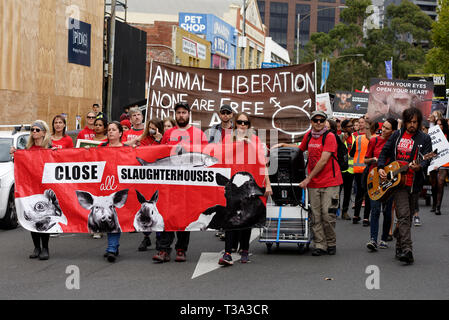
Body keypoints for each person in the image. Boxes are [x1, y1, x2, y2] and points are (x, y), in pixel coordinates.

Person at [152, 102, 208, 263]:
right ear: (175, 115)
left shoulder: (198, 134)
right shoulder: (168, 133)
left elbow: (204, 156)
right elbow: (161, 153)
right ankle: (163, 249)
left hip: (189, 184)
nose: (181, 115)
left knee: (184, 217)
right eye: (178, 113)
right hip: (170, 184)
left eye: (184, 112)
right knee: (167, 216)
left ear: (189, 114)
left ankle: (181, 249)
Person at [378, 107, 432, 264]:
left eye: (415, 122)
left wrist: (420, 166)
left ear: (419, 122)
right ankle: (408, 250)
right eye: (409, 122)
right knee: (403, 215)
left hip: (414, 183)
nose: (412, 125)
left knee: (406, 218)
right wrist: (381, 167)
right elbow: (384, 152)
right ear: (405, 122)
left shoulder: (424, 139)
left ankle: (399, 244)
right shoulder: (397, 135)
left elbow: (427, 159)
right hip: (398, 182)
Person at [218, 112, 272, 265]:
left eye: (245, 123)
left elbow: (263, 164)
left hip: (249, 185)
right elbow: (219, 159)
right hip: (232, 185)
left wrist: (267, 183)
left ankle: (245, 251)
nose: (242, 125)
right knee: (230, 218)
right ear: (235, 124)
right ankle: (228, 253)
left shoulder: (255, 140)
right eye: (240, 122)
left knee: (247, 217)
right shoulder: (228, 139)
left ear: (249, 125)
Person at [299, 111, 343, 256]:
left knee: (327, 214)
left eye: (321, 120)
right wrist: (282, 144)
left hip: (330, 181)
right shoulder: (309, 135)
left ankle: (331, 242)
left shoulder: (330, 136)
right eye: (315, 120)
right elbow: (300, 148)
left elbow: (323, 161)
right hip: (314, 183)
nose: (318, 123)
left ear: (325, 122)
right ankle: (320, 244)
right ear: (311, 121)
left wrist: (308, 178)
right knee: (316, 215)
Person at [10, 120, 53, 260]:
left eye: (37, 130)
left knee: (44, 217)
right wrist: (14, 156)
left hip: (45, 188)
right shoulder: (27, 150)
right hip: (30, 189)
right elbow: (20, 166)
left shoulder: (50, 149)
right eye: (33, 130)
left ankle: (45, 248)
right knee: (32, 217)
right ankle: (36, 247)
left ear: (44, 132)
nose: (34, 132)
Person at [364, 118, 398, 251]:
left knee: (388, 211)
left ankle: (383, 239)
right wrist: (373, 159)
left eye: (387, 128)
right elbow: (365, 160)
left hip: (390, 181)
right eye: (383, 127)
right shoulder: (374, 140)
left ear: (393, 131)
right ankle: (373, 239)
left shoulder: (395, 144)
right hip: (375, 180)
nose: (383, 130)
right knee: (375, 209)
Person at [135, 118, 164, 252]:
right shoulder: (144, 140)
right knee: (145, 209)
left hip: (160, 178)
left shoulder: (164, 139)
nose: (152, 130)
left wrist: (159, 140)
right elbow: (144, 154)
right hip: (146, 178)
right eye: (150, 127)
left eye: (154, 128)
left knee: (157, 209)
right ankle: (146, 237)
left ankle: (159, 237)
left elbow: (162, 153)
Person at [100, 121, 128, 262]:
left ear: (120, 133)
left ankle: (112, 248)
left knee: (115, 216)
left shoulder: (128, 149)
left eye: (113, 130)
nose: (110, 132)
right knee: (108, 216)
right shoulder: (100, 148)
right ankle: (113, 246)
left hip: (120, 187)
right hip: (104, 186)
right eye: (109, 130)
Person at [350, 117, 372, 226]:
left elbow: (351, 153)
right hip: (368, 169)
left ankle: (355, 216)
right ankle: (366, 218)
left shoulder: (358, 138)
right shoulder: (373, 138)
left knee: (359, 193)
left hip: (358, 169)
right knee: (368, 194)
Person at [429, 117, 449, 216]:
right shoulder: (432, 135)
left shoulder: (447, 135)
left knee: (440, 183)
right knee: (433, 184)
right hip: (434, 162)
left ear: (444, 125)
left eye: (441, 124)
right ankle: (433, 203)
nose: (439, 126)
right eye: (437, 124)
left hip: (444, 163)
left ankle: (438, 207)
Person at [339, 119, 355, 220]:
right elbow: (337, 150)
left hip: (350, 169)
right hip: (340, 169)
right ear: (344, 128)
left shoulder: (354, 137)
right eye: (349, 126)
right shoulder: (339, 137)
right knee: (337, 192)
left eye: (352, 126)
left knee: (348, 193)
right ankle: (335, 210)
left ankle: (345, 212)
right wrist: (342, 141)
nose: (352, 127)